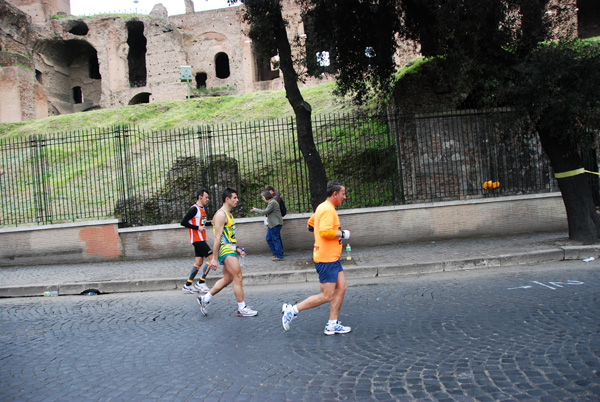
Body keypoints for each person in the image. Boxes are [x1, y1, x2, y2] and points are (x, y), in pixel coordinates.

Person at [281, 180, 351, 335]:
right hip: (326, 259)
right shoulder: (328, 210)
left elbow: (310, 224)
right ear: (335, 194)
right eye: (343, 194)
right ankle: (292, 311)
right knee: (327, 295)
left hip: (331, 257)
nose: (344, 197)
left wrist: (319, 241)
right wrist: (342, 233)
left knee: (342, 287)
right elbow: (325, 232)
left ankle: (332, 324)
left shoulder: (322, 207)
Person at [197, 187, 258, 317]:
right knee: (238, 276)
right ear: (227, 199)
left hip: (230, 249)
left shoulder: (229, 214)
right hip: (224, 250)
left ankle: (205, 299)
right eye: (234, 198)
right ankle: (242, 308)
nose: (237, 200)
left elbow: (228, 236)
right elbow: (217, 237)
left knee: (228, 278)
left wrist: (237, 249)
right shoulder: (220, 215)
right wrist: (214, 258)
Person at [180, 189, 212, 293]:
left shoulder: (202, 209)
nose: (208, 199)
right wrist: (197, 228)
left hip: (201, 239)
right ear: (200, 197)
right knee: (211, 259)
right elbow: (183, 222)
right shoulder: (194, 209)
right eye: (206, 197)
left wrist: (210, 223)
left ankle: (188, 285)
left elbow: (201, 223)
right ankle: (201, 282)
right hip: (197, 239)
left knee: (198, 262)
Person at [250, 190, 284, 261]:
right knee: (269, 238)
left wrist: (255, 209)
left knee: (275, 239)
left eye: (263, 197)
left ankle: (279, 255)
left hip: (275, 224)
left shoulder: (272, 203)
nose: (263, 199)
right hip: (272, 224)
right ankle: (276, 253)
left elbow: (265, 211)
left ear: (266, 197)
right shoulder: (271, 203)